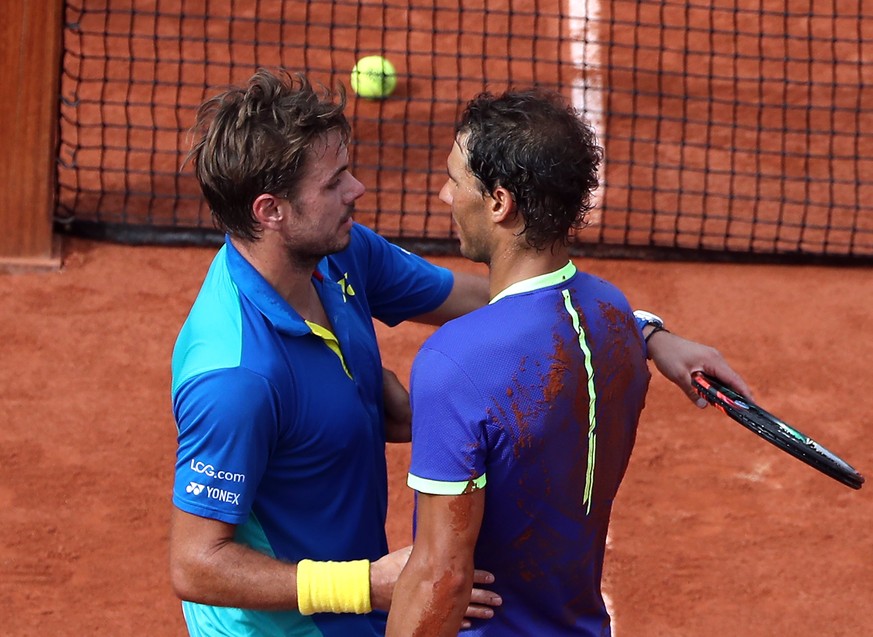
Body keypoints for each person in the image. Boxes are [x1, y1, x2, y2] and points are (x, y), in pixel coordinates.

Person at [169, 68, 748, 637]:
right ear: (271, 211)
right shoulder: (235, 376)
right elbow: (196, 565)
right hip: (291, 624)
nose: (357, 190)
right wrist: (365, 584)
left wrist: (639, 332)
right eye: (334, 182)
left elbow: (503, 299)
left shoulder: (340, 255)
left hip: (363, 602)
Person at [386, 89, 656, 636]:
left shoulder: (456, 361)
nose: (444, 194)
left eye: (455, 180)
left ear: (499, 203)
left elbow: (442, 575)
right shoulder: (616, 316)